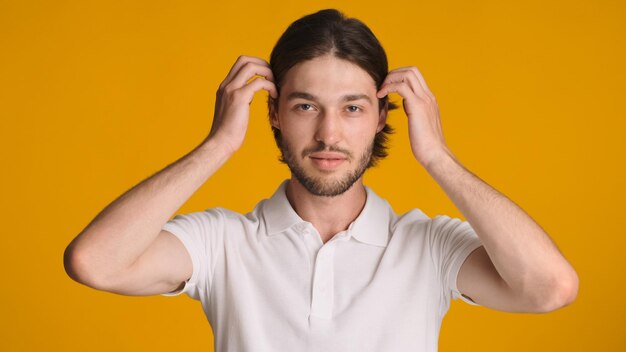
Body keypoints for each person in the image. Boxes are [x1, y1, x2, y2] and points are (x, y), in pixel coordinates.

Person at [64, 9, 578, 352]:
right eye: (305, 105)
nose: (328, 134)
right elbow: (94, 263)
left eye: (352, 108)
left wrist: (438, 157)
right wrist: (218, 144)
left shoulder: (428, 246)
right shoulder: (221, 242)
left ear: (381, 116)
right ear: (274, 114)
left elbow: (550, 288)